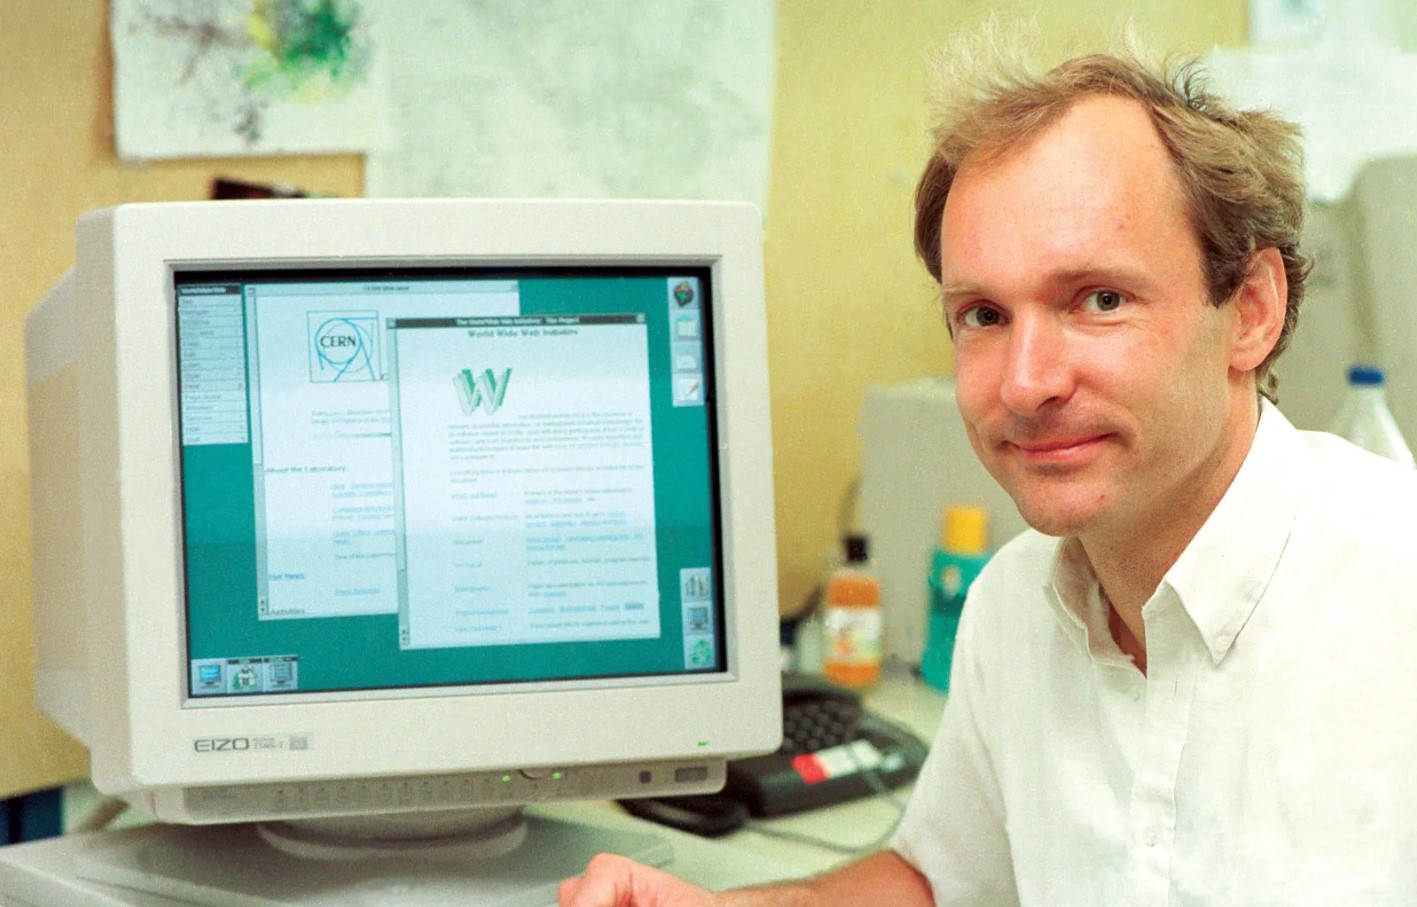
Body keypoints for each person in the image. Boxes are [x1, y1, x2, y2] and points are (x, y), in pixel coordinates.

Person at [560, 34, 1417, 907]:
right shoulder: (1014, 607)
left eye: (1098, 299)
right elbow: (940, 881)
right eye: (982, 314)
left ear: (1251, 312)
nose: (1024, 381)